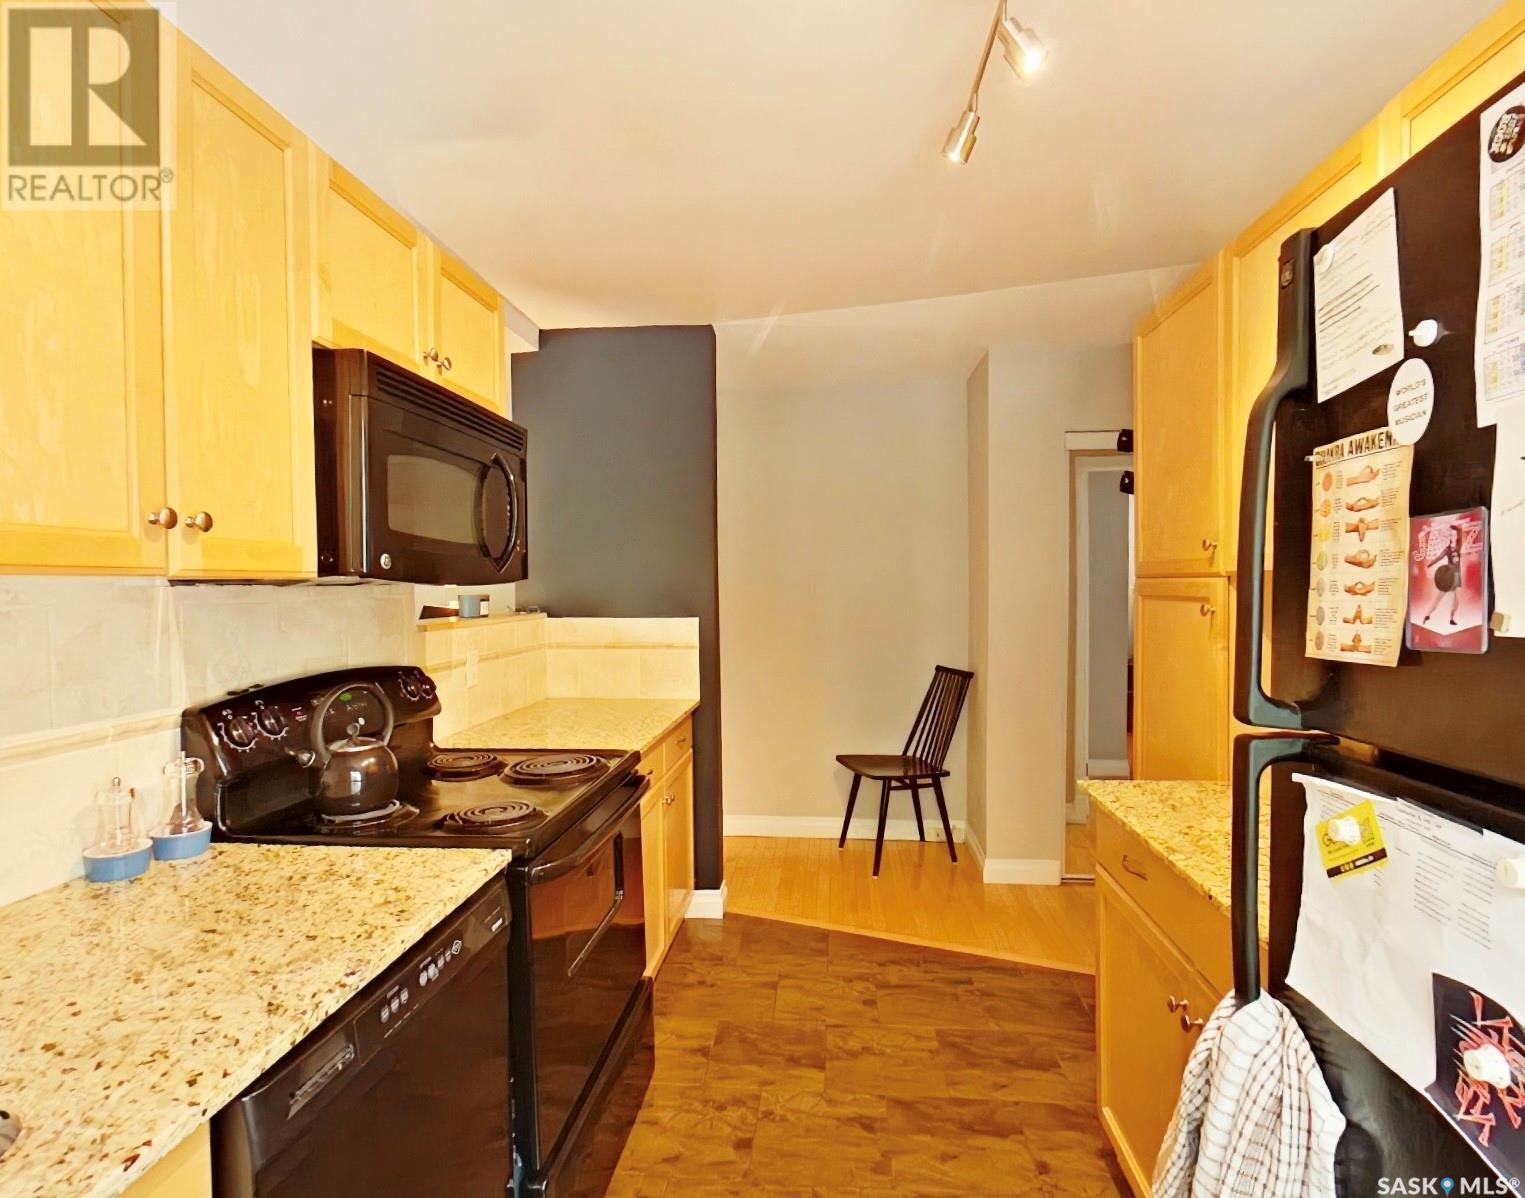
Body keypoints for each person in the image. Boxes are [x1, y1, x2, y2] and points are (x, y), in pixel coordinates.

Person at [1422, 524, 1464, 626]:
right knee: (1439, 597)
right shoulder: (1447, 549)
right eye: (1451, 535)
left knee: (1457, 599)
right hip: (1449, 576)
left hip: (1457, 576)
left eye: (1454, 535)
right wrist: (1430, 564)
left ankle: (1452, 618)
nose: (1453, 537)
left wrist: (1454, 527)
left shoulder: (1458, 546)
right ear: (1449, 538)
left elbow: (1460, 533)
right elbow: (1439, 557)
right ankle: (1427, 614)